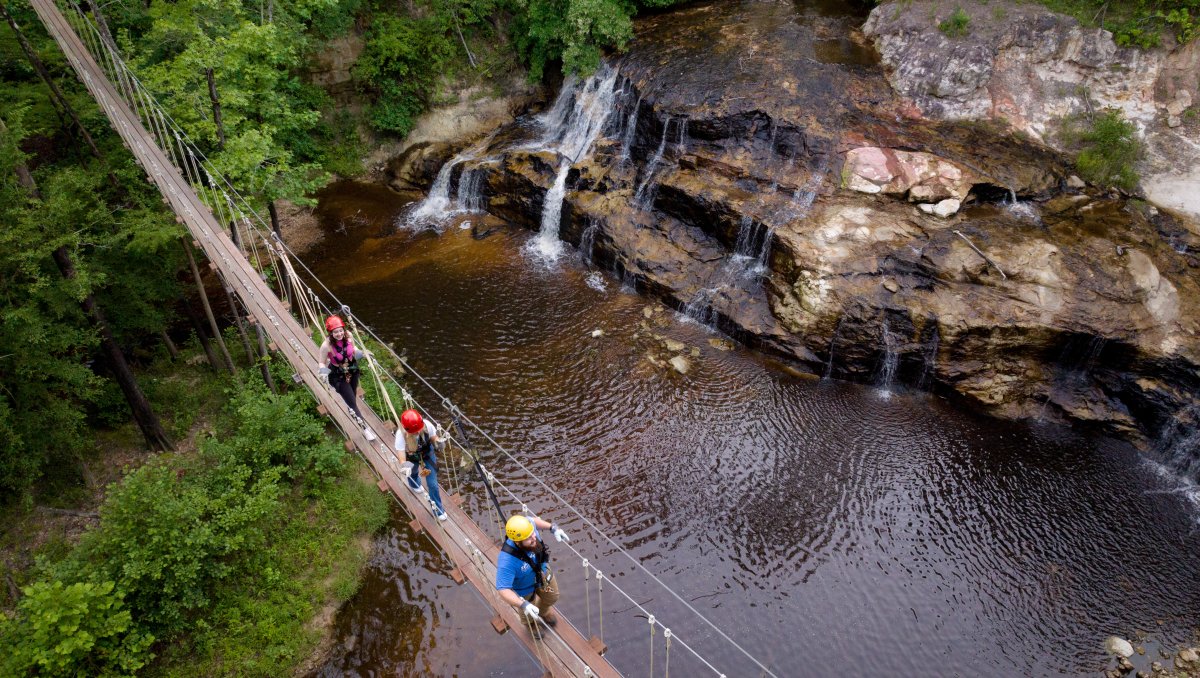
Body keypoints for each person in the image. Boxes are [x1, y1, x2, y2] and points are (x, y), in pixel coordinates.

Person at [495, 514, 570, 635]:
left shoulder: (527, 527)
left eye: (533, 533)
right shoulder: (507, 561)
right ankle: (531, 624)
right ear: (518, 542)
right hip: (525, 588)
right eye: (528, 538)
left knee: (553, 596)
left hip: (543, 573)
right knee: (528, 611)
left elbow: (533, 521)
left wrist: (553, 528)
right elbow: (503, 589)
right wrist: (523, 604)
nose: (534, 537)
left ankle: (543, 611)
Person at [317, 315, 375, 441]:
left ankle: (354, 411)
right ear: (331, 333)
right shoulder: (326, 346)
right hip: (338, 376)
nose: (339, 334)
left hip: (352, 371)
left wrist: (363, 354)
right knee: (352, 403)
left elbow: (353, 350)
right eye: (335, 332)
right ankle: (365, 429)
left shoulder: (348, 335)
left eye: (340, 330)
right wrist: (323, 372)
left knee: (352, 396)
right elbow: (321, 362)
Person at [395, 409, 447, 521]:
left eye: (419, 430)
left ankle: (438, 509)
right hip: (412, 456)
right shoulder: (400, 434)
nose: (418, 433)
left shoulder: (427, 425)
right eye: (414, 432)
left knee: (432, 484)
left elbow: (433, 437)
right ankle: (414, 484)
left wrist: (438, 442)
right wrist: (404, 466)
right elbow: (401, 456)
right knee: (412, 472)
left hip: (427, 454)